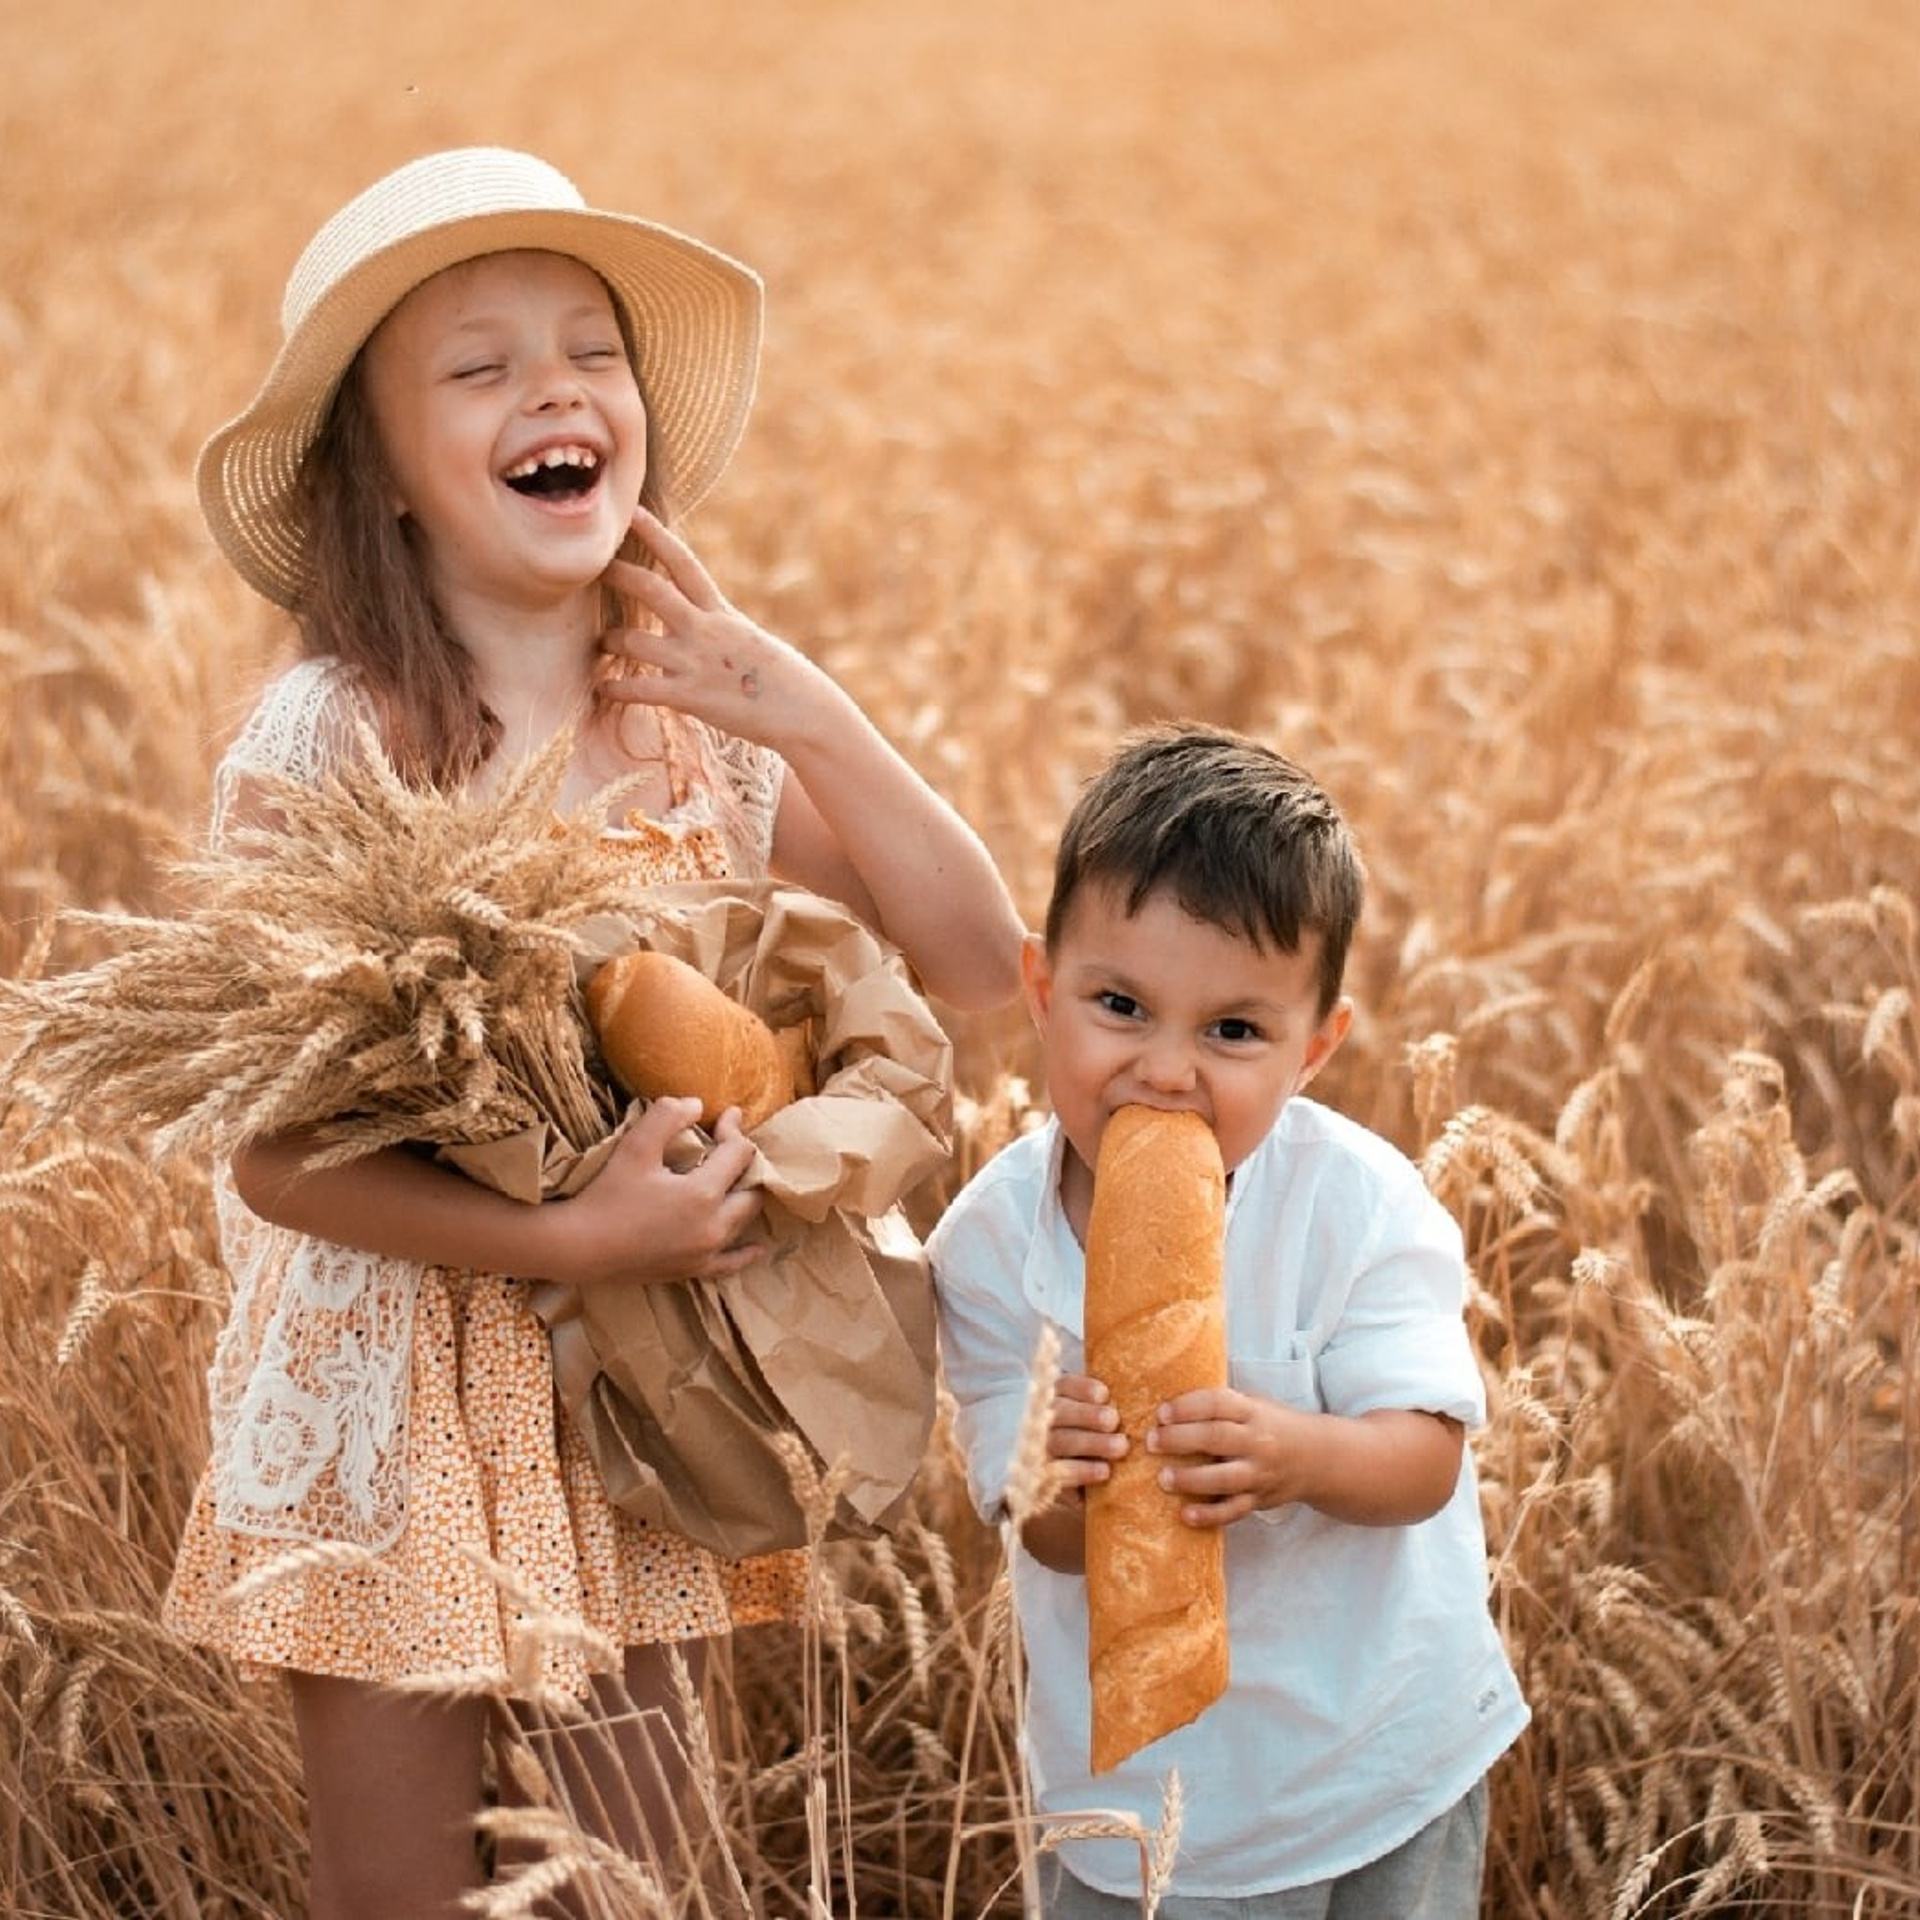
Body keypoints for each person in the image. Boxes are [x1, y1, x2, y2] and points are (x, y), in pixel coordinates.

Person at [161, 146, 1024, 1918]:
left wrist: (816, 712)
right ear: (381, 477)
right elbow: (277, 1152)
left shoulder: (696, 734)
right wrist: (570, 1230)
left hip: (635, 1396)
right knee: (393, 1890)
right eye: (478, 368)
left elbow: (979, 957)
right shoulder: (329, 744)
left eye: (590, 351)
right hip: (387, 1397)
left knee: (641, 1883)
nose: (553, 388)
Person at [929, 722, 1528, 1917]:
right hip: (1146, 1802)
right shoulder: (990, 1246)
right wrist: (1065, 1487)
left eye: (1233, 1031)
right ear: (1044, 990)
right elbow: (1022, 1523)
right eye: (1120, 1005)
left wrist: (1299, 1453)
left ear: (1316, 1050)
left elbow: (1425, 1458)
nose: (1166, 1068)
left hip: (1380, 1757)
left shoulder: (1355, 1205)